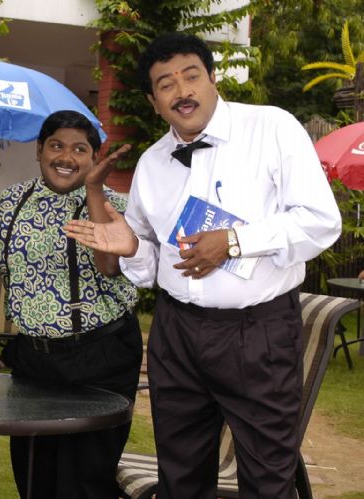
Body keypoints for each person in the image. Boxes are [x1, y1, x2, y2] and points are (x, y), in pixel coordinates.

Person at [64, 33, 341, 498]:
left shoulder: (272, 128)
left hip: (259, 332)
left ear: (213, 78)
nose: (182, 91)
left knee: (267, 478)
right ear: (154, 102)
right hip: (176, 332)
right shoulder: (152, 163)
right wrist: (132, 248)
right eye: (166, 85)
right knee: (181, 476)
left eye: (191, 76)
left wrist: (233, 242)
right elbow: (152, 267)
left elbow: (320, 222)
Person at [0, 110, 142, 499]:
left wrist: (94, 189)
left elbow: (109, 266)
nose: (66, 157)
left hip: (101, 355)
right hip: (35, 361)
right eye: (56, 146)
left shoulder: (115, 206)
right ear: (39, 150)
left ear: (95, 157)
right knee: (34, 478)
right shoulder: (9, 204)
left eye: (80, 149)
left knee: (86, 482)